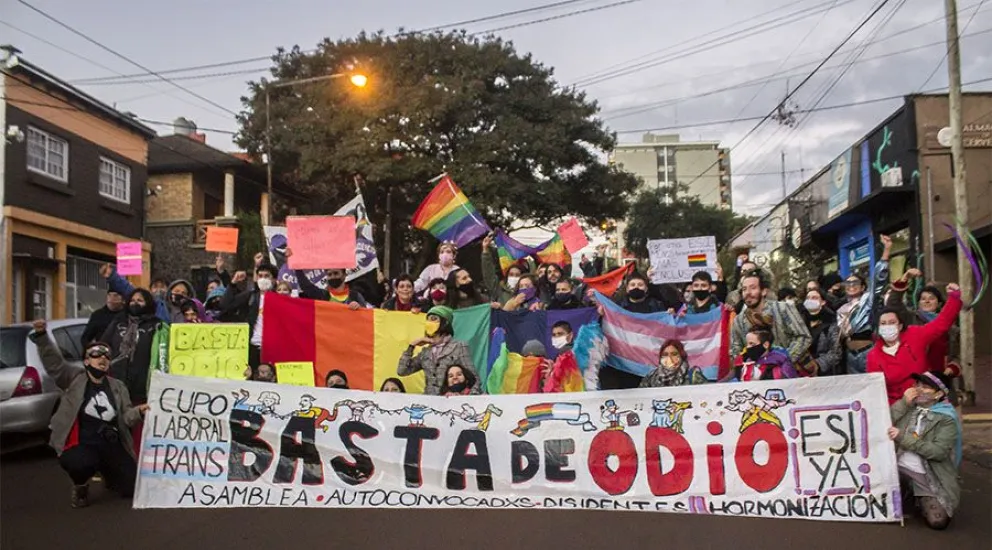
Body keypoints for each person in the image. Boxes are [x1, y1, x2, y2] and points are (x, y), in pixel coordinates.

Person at [29, 320, 149, 508]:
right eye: (95, 355)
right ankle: (81, 485)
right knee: (80, 463)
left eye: (106, 356)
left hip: (110, 444)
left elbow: (126, 417)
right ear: (86, 360)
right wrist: (42, 336)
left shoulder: (118, 387)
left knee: (131, 488)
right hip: (82, 443)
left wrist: (138, 412)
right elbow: (55, 365)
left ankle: (109, 474)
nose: (102, 358)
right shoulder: (74, 378)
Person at [889, 372, 962, 530]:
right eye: (917, 385)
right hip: (898, 468)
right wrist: (903, 403)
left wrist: (903, 438)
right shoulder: (909, 406)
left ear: (940, 394)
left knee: (938, 522)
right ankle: (906, 492)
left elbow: (938, 452)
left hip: (926, 475)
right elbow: (882, 421)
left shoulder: (946, 418)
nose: (919, 389)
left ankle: (918, 495)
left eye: (926, 387)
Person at [867, 283, 962, 404]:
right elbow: (876, 389)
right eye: (883, 323)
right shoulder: (873, 356)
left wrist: (954, 298)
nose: (888, 326)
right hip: (896, 407)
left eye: (892, 322)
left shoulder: (915, 335)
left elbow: (941, 325)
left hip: (925, 400)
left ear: (900, 325)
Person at [886, 268, 961, 379]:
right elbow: (893, 303)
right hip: (915, 377)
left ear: (939, 303)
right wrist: (905, 278)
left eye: (931, 298)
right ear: (919, 303)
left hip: (941, 379)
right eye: (923, 299)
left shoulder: (951, 328)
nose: (927, 301)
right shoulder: (910, 318)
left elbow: (956, 356)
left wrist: (950, 369)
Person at [100, 288, 169, 406]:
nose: (135, 303)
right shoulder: (119, 322)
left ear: (148, 303)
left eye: (140, 301)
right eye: (132, 300)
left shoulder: (157, 325)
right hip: (116, 382)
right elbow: (104, 344)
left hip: (143, 385)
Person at [730, 270, 812, 367]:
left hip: (790, 373)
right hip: (758, 376)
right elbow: (736, 351)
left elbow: (803, 337)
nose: (748, 293)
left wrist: (782, 360)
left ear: (764, 291)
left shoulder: (783, 309)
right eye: (744, 289)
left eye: (753, 288)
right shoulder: (738, 321)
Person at [837, 235, 892, 374]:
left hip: (866, 353)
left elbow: (878, 282)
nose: (851, 286)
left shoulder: (867, 300)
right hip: (850, 355)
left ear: (862, 287)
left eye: (855, 283)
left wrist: (886, 252)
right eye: (848, 283)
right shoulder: (841, 309)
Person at [397, 306, 478, 395]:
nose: (429, 323)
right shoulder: (426, 351)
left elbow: (474, 379)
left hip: (451, 401)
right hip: (430, 403)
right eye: (428, 320)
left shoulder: (459, 346)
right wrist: (411, 346)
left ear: (445, 322)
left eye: (434, 319)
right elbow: (402, 371)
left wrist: (467, 399)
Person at [219, 263, 279, 370]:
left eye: (267, 276)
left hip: (274, 348)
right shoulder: (250, 296)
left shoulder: (281, 298)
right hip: (252, 347)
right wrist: (233, 283)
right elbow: (225, 305)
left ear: (274, 279)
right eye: (260, 276)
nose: (263, 279)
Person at [101, 263, 195, 324]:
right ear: (150, 290)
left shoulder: (180, 307)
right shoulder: (150, 304)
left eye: (162, 286)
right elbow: (128, 289)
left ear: (168, 289)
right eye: (155, 287)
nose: (158, 290)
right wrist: (112, 276)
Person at [732, 324, 799, 381]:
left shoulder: (781, 362)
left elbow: (791, 385)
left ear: (766, 345)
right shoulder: (744, 361)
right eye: (747, 344)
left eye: (752, 344)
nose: (748, 347)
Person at [801, 289, 843, 376]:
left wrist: (817, 364)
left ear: (823, 302)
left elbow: (836, 352)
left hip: (824, 373)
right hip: (802, 371)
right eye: (808, 298)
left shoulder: (831, 323)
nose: (810, 300)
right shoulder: (800, 323)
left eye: (814, 298)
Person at [640, 339, 707, 387]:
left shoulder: (694, 376)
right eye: (665, 354)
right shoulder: (651, 377)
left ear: (681, 356)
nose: (670, 358)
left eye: (674, 354)